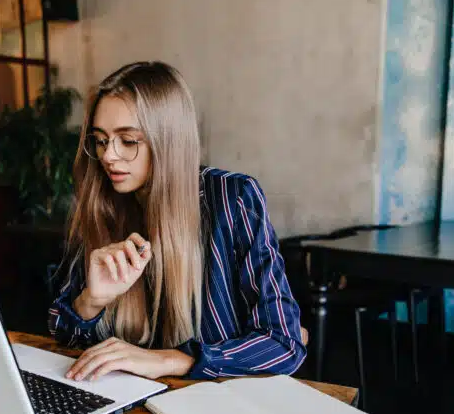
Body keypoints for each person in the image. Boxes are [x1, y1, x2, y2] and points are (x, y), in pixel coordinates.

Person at [48, 61, 306, 382]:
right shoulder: (103, 204)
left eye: (127, 141)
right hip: (134, 401)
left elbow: (284, 342)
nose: (108, 156)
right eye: (101, 140)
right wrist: (92, 301)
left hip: (220, 405)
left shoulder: (231, 196)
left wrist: (170, 360)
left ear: (168, 139)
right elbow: (63, 332)